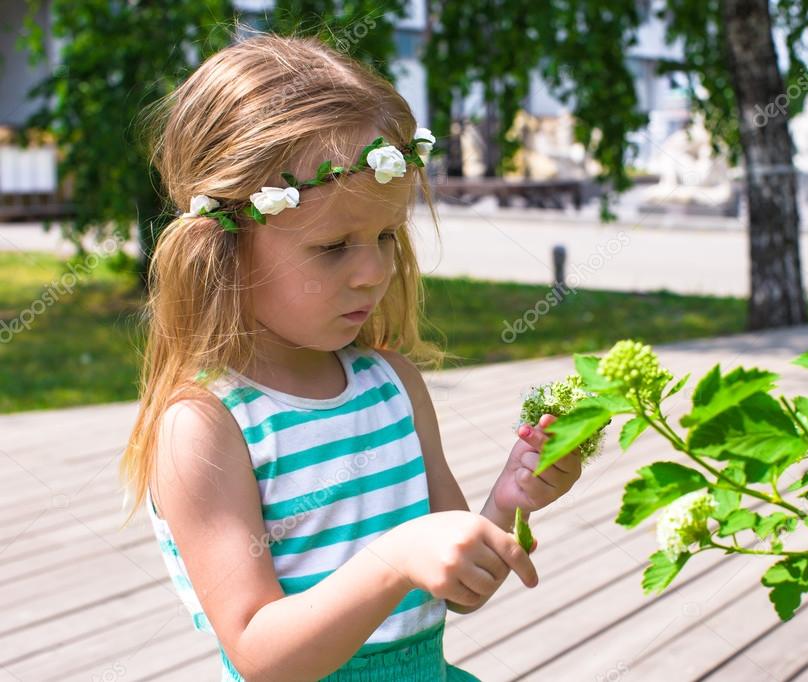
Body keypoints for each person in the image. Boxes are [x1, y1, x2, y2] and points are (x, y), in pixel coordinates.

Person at [118, 33, 583, 682]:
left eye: (386, 235)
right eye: (334, 245)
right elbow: (259, 653)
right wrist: (391, 562)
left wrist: (507, 502)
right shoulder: (207, 427)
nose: (373, 272)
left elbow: (457, 590)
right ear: (227, 248)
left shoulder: (393, 386)